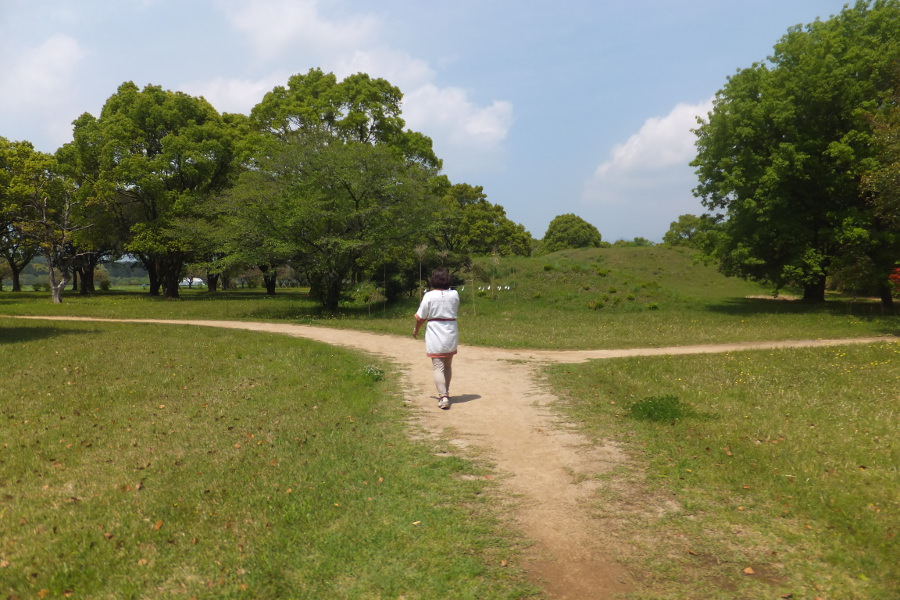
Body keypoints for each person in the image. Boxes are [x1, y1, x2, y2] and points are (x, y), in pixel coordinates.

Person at [413, 267, 460, 410]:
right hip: (451, 330)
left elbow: (421, 317)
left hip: (435, 331)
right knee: (447, 364)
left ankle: (443, 396)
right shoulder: (455, 294)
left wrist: (416, 329)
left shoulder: (429, 296)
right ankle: (446, 392)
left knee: (438, 366)